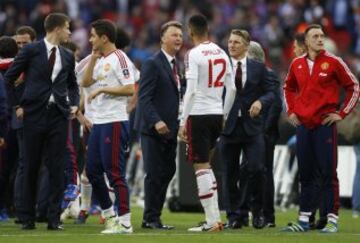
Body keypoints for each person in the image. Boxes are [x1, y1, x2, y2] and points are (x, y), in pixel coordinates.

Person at [5, 13, 80, 230]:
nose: (69, 32)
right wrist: (17, 106)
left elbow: (73, 85)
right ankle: (27, 218)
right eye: (67, 28)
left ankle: (53, 219)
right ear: (56, 28)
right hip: (34, 116)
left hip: (58, 115)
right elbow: (9, 78)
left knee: (57, 168)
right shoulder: (31, 50)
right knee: (30, 166)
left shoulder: (67, 55)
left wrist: (73, 103)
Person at [283, 24, 359, 233]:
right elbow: (287, 87)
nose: (320, 39)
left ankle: (332, 219)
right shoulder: (296, 64)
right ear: (306, 41)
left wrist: (341, 113)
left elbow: (354, 87)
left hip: (325, 125)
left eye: (322, 36)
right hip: (303, 126)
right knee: (305, 174)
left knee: (328, 173)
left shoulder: (334, 62)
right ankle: (304, 219)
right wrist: (291, 111)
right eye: (315, 36)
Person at [178, 14, 234, 232]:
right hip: (216, 114)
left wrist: (184, 119)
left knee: (200, 166)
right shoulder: (221, 52)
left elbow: (191, 91)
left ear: (190, 32)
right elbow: (233, 89)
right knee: (207, 165)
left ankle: (211, 221)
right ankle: (215, 218)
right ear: (207, 30)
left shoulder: (193, 54)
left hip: (199, 115)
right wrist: (225, 114)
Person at [81, 19, 135, 234]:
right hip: (99, 122)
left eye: (93, 35)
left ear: (104, 38)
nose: (90, 39)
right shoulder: (101, 59)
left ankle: (125, 222)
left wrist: (103, 91)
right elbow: (85, 83)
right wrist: (93, 59)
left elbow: (130, 88)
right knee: (92, 171)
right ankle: (109, 215)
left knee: (114, 172)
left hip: (114, 120)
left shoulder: (120, 58)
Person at [219, 29, 275, 229]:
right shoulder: (221, 66)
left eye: (236, 42)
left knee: (257, 169)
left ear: (246, 45)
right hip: (228, 127)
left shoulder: (259, 68)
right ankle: (234, 216)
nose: (231, 45)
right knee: (229, 174)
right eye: (230, 41)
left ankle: (256, 212)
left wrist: (260, 102)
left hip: (253, 128)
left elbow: (271, 92)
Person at [134, 20, 183, 230]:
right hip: (153, 129)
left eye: (180, 35)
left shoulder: (176, 65)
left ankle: (154, 215)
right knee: (154, 173)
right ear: (162, 38)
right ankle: (150, 218)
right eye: (174, 35)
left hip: (170, 129)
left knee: (168, 171)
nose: (179, 38)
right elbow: (144, 98)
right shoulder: (153, 63)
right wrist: (157, 121)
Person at [247, 41, 282, 227]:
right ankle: (249, 213)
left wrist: (263, 131)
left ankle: (267, 215)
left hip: (263, 134)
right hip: (251, 132)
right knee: (252, 172)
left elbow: (276, 105)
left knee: (263, 173)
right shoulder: (250, 75)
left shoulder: (268, 75)